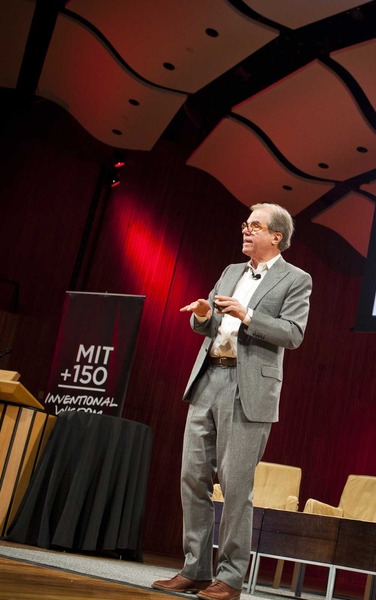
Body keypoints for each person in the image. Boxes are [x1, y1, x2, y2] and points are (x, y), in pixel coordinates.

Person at [153, 203, 312, 600]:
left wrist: (248, 314)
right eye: (245, 224)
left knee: (236, 487)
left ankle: (230, 578)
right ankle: (195, 570)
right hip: (209, 379)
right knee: (192, 478)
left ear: (276, 236)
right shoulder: (230, 271)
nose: (246, 230)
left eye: (255, 226)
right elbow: (209, 325)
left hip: (249, 389)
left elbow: (293, 333)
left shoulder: (296, 279)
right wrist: (202, 315)